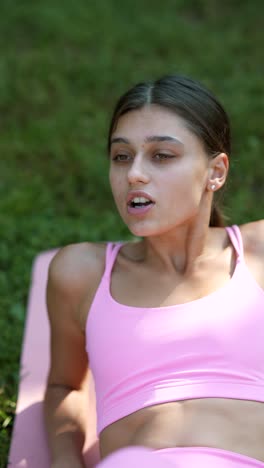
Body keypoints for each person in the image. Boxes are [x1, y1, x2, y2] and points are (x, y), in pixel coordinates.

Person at [44, 74, 264, 468]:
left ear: (216, 172)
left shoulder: (257, 252)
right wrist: (65, 462)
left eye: (162, 155)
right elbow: (65, 386)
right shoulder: (81, 274)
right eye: (121, 156)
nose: (134, 174)